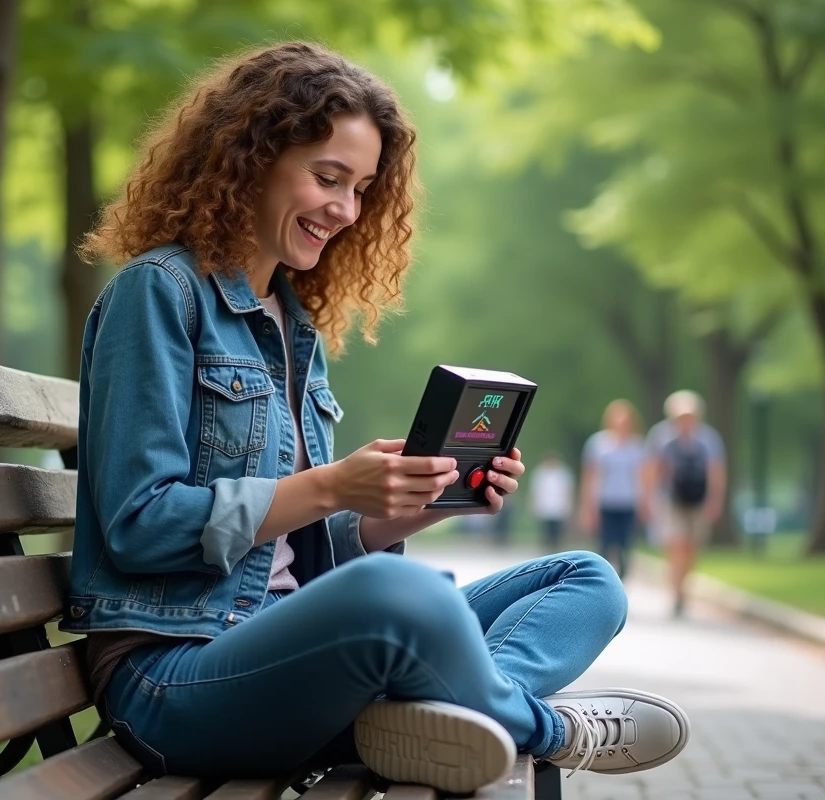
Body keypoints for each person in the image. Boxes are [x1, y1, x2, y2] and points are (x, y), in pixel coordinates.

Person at [61, 41, 690, 794]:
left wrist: (400, 508)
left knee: (586, 578)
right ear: (250, 157)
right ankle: (542, 727)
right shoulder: (159, 293)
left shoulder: (292, 325)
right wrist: (331, 486)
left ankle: (449, 714)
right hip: (174, 675)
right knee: (410, 600)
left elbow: (297, 556)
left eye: (361, 188)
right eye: (328, 178)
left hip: (289, 659)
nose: (346, 210)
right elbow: (140, 524)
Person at [644, 390, 727, 617]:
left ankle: (683, 587)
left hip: (698, 501)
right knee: (677, 544)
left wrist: (715, 500)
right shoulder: (661, 436)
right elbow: (652, 469)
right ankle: (676, 593)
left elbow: (715, 471)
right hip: (671, 500)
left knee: (692, 546)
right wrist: (648, 499)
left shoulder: (708, 439)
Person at [579, 400, 646, 579]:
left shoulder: (637, 446)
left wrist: (644, 503)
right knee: (604, 546)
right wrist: (587, 506)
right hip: (605, 502)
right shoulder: (598, 444)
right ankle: (603, 581)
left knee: (625, 546)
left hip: (628, 502)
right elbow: (590, 477)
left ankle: (621, 580)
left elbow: (642, 478)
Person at [529, 452, 574, 551]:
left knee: (557, 531)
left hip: (558, 507)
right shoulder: (540, 473)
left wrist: (568, 506)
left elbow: (567, 491)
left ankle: (556, 548)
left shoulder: (563, 474)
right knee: (545, 531)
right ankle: (546, 548)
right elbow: (536, 491)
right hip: (545, 507)